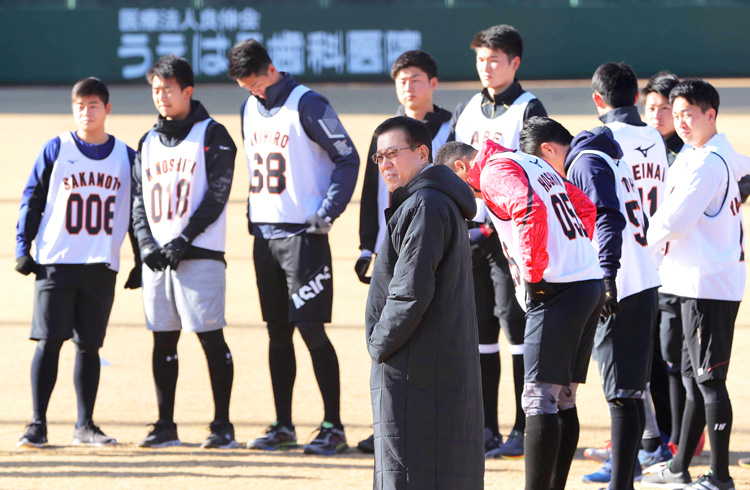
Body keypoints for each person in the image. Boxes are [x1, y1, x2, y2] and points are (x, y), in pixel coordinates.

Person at [227, 39, 359, 455]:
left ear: (271, 68)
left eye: (256, 83)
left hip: (304, 235)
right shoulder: (249, 106)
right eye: (245, 87)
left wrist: (328, 211)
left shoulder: (308, 103)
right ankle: (283, 425)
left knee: (311, 328)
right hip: (265, 236)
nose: (253, 92)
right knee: (277, 332)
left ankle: (333, 426)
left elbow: (348, 157)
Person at [466, 136, 604, 490]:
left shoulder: (493, 170)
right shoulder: (532, 162)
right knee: (562, 397)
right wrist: (570, 254)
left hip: (558, 289)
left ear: (460, 169)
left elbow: (528, 208)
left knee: (538, 398)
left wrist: (534, 274)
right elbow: (585, 207)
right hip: (586, 281)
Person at [15, 77, 135, 447]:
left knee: (89, 347)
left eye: (94, 105)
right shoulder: (56, 148)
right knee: (49, 341)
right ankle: (37, 424)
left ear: (107, 109)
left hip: (100, 262)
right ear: (73, 109)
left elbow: (138, 212)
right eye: (80, 106)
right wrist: (23, 246)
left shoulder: (126, 156)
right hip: (57, 261)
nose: (87, 112)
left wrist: (141, 257)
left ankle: (85, 424)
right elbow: (31, 198)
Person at [367, 116, 483, 489]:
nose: (385, 163)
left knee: (411, 472)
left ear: (422, 153)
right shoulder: (429, 200)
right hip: (427, 363)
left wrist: (379, 344)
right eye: (379, 157)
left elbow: (411, 290)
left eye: (392, 153)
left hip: (414, 366)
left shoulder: (425, 204)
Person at [643, 79, 748, 490]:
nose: (681, 121)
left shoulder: (708, 161)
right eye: (677, 113)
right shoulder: (703, 153)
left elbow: (674, 221)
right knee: (693, 380)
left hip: (708, 286)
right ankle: (678, 466)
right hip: (692, 282)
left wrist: (638, 244)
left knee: (708, 381)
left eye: (690, 113)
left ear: (711, 114)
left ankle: (719, 476)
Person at [451, 23, 548, 458]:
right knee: (479, 331)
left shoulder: (529, 108)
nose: (486, 67)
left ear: (515, 63)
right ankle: (485, 426)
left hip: (509, 237)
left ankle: (522, 426)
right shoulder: (468, 107)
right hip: (471, 235)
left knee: (517, 327)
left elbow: (536, 172)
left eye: (495, 59)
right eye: (480, 59)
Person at [131, 55, 238, 450]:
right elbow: (138, 201)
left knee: (211, 338)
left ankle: (222, 425)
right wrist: (146, 245)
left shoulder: (214, 133)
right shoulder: (147, 140)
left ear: (187, 91)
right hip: (157, 260)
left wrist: (183, 240)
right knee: (163, 341)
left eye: (168, 89)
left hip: (201, 255)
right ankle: (164, 425)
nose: (161, 97)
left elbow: (217, 195)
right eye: (155, 90)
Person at [355, 49, 452, 453]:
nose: (407, 87)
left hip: (434, 242)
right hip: (392, 245)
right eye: (401, 80)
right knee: (393, 333)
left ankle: (427, 427)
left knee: (420, 336)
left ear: (432, 82)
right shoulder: (387, 134)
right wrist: (366, 246)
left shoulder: (449, 127)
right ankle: (389, 426)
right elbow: (369, 192)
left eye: (415, 78)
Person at [642, 71, 689, 461]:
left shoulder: (688, 153)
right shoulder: (642, 147)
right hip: (645, 267)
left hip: (678, 271)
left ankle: (681, 436)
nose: (656, 115)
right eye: (651, 107)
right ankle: (654, 435)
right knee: (650, 356)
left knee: (674, 358)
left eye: (664, 109)